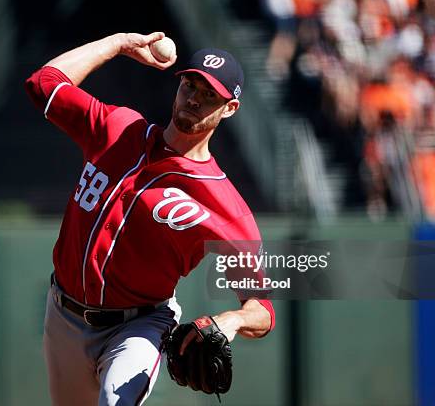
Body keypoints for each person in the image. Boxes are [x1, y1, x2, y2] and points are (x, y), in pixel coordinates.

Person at [25, 31, 275, 406]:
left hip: (139, 325)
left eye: (210, 95)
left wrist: (233, 320)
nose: (194, 99)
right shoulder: (118, 128)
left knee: (116, 400)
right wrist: (116, 44)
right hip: (64, 317)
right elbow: (44, 84)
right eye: (191, 85)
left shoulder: (226, 206)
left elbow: (262, 308)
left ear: (230, 109)